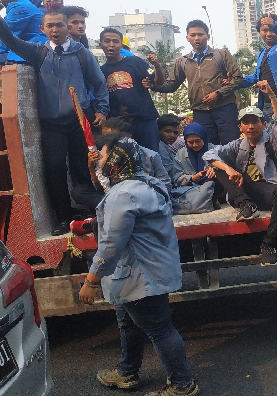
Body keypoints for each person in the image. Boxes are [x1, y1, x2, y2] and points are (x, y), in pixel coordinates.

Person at [78, 136, 200, 396]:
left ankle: (182, 386)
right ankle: (127, 372)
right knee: (129, 324)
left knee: (160, 330)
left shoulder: (123, 195)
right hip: (143, 271)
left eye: (102, 156)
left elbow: (111, 244)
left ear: (115, 160)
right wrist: (93, 172)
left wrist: (91, 281)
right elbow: (107, 192)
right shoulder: (147, 183)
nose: (100, 161)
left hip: (139, 275)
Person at [0, 4, 108, 234]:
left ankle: (92, 214)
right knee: (54, 169)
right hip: (52, 124)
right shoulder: (38, 52)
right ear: (42, 29)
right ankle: (63, 219)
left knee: (84, 168)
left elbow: (99, 83)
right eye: (50, 26)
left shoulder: (82, 53)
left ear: (67, 27)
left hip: (79, 122)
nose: (55, 29)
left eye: (59, 25)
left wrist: (101, 110)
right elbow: (10, 40)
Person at [204, 81, 277, 266]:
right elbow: (210, 154)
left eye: (255, 121)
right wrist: (228, 168)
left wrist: (271, 95)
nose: (251, 126)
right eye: (246, 122)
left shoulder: (272, 142)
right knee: (218, 166)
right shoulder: (237, 144)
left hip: (268, 190)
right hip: (243, 193)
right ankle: (246, 205)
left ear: (263, 124)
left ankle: (269, 244)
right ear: (241, 128)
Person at [150, 19, 243, 145]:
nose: (197, 38)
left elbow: (237, 78)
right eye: (193, 35)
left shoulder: (221, 55)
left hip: (225, 108)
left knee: (232, 145)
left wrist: (219, 93)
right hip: (200, 111)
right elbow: (171, 85)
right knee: (207, 148)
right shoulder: (182, 62)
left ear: (208, 37)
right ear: (187, 38)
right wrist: (153, 86)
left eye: (200, 34)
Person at [99, 27, 160, 151]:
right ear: (101, 44)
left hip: (145, 120)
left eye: (115, 41)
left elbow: (157, 81)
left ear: (121, 44)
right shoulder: (100, 72)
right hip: (119, 125)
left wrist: (157, 66)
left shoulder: (136, 62)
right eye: (107, 41)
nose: (111, 45)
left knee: (151, 158)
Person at [171, 123, 216, 214]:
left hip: (214, 189)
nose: (195, 145)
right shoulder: (181, 154)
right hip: (190, 189)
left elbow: (227, 167)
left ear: (204, 138)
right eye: (190, 142)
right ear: (186, 141)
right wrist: (192, 178)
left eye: (198, 141)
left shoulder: (214, 150)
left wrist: (215, 169)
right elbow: (175, 177)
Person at [156, 114, 183, 181]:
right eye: (168, 131)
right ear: (158, 130)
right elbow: (170, 175)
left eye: (175, 133)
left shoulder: (165, 146)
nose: (172, 135)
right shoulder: (160, 148)